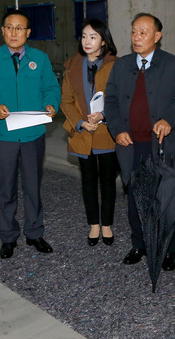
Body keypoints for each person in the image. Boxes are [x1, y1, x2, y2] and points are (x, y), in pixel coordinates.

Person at [104, 12, 175, 271]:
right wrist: (117, 130)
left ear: (157, 36)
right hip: (131, 145)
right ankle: (139, 244)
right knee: (135, 198)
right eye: (133, 32)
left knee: (166, 198)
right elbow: (111, 101)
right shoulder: (121, 65)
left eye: (143, 32)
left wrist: (169, 119)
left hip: (162, 144)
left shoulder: (173, 64)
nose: (136, 37)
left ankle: (168, 249)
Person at [0, 9, 61, 259]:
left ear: (28, 32)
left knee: (33, 186)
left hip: (33, 134)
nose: (14, 33)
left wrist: (51, 103)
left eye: (19, 28)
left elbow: (51, 87)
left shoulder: (40, 58)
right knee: (7, 188)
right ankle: (8, 235)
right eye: (10, 28)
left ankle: (34, 232)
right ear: (3, 31)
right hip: (5, 135)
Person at [61, 19, 119, 246]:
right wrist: (81, 123)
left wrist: (103, 115)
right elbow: (66, 101)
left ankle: (107, 224)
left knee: (108, 181)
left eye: (93, 37)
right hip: (82, 133)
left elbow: (120, 99)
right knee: (88, 181)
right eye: (84, 36)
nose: (87, 41)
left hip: (107, 133)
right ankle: (94, 224)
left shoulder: (115, 65)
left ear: (103, 41)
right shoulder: (72, 66)